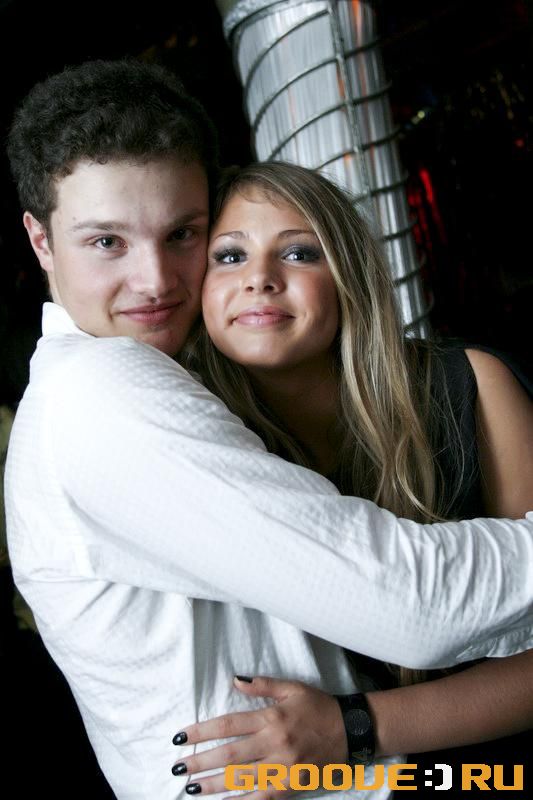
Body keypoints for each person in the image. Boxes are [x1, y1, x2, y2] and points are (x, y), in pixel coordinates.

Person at [4, 59, 533, 800]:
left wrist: (365, 728)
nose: (156, 280)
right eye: (106, 242)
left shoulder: (207, 409)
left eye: (182, 234)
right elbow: (408, 603)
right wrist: (363, 728)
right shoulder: (98, 391)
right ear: (40, 241)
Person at [171, 161, 533, 796]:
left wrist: (354, 727)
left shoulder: (472, 387)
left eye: (299, 252)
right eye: (229, 256)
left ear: (348, 276)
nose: (259, 278)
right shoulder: (197, 447)